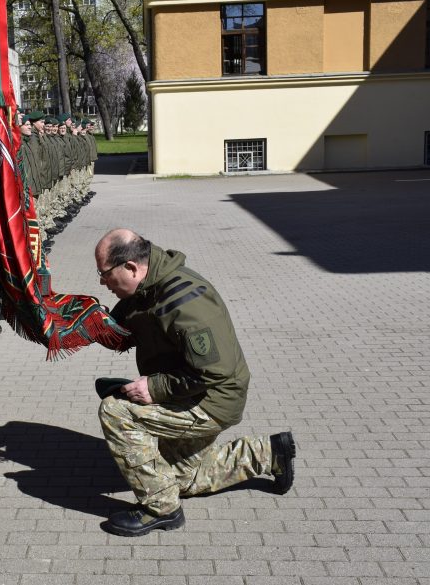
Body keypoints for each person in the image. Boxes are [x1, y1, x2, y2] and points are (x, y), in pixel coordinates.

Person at [94, 228, 296, 537]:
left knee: (115, 412)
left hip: (212, 401)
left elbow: (216, 370)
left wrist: (154, 388)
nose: (102, 282)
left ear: (131, 267)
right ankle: (267, 454)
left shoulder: (186, 301)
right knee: (182, 479)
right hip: (193, 390)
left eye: (104, 274)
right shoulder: (147, 288)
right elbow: (119, 325)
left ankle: (161, 510)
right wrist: (75, 318)